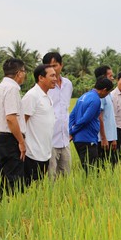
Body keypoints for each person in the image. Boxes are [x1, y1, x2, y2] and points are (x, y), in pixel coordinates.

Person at [0, 58, 27, 199]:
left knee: (3, 181)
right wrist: (21, 142)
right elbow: (11, 118)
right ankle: (15, 213)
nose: (24, 75)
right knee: (15, 184)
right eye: (24, 71)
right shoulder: (12, 89)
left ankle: (1, 209)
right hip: (10, 140)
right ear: (19, 73)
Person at [69, 76, 114, 174]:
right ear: (104, 90)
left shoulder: (84, 96)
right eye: (108, 93)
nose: (107, 95)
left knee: (87, 168)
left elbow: (72, 115)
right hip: (88, 139)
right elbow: (86, 119)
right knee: (92, 171)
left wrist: (71, 129)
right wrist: (72, 131)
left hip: (78, 139)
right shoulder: (96, 100)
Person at [22, 64, 57, 186]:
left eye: (55, 75)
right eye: (52, 75)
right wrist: (21, 144)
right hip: (32, 153)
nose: (55, 78)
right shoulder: (32, 96)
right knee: (30, 187)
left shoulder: (47, 97)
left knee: (38, 187)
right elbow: (22, 122)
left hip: (45, 152)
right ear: (41, 78)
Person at [44, 52, 73, 180]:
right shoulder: (45, 87)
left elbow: (65, 109)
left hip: (65, 138)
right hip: (50, 139)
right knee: (51, 177)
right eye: (49, 66)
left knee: (66, 175)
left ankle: (65, 199)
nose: (52, 69)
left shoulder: (68, 84)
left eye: (55, 65)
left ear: (61, 65)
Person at [94, 66, 118, 169]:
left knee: (113, 165)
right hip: (102, 139)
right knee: (103, 166)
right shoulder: (100, 95)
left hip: (109, 137)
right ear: (103, 77)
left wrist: (113, 138)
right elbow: (99, 117)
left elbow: (110, 118)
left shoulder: (108, 94)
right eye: (110, 75)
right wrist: (104, 138)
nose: (112, 78)